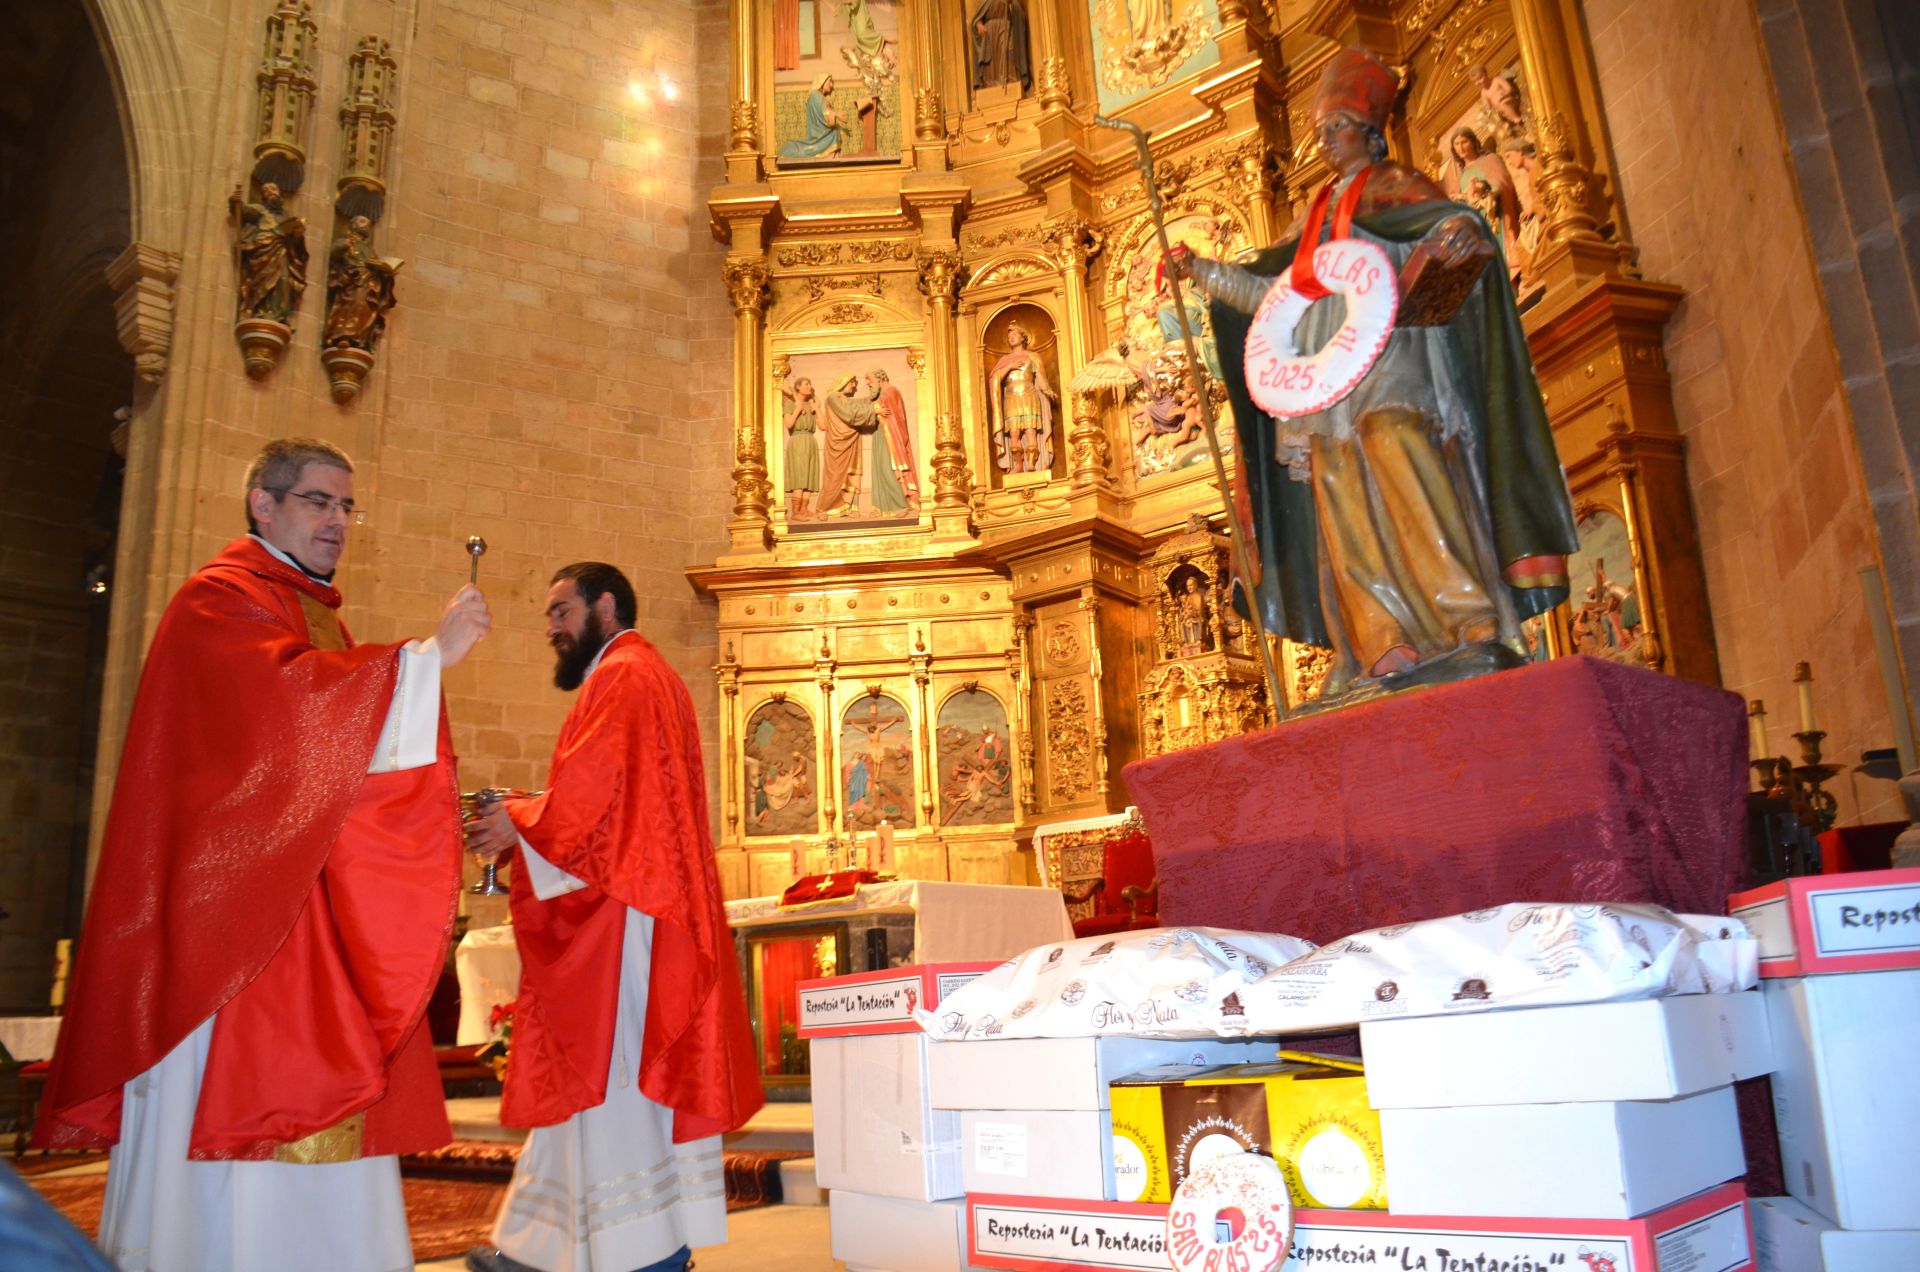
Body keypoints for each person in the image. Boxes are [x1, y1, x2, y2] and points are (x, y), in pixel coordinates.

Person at [35, 437, 492, 1270]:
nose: (339, 522)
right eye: (320, 501)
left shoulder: (307, 607)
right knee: (242, 1116)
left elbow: (323, 742)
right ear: (264, 505)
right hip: (225, 920)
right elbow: (287, 720)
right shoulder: (218, 600)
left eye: (347, 506)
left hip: (281, 898)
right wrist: (426, 660)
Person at [1173, 46, 1577, 705]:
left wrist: (1453, 237)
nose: (1325, 141)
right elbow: (1268, 296)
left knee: (1402, 455)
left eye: (1335, 126)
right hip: (1324, 388)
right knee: (1338, 492)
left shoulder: (1401, 189)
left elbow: (1459, 228)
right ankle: (1380, 639)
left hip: (1395, 364)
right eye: (1320, 131)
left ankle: (1466, 620)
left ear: (1369, 128)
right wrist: (1204, 274)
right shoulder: (1311, 218)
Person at [463, 563, 764, 1272]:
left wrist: (517, 822)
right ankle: (539, 1249)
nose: (550, 629)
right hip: (633, 901)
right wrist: (531, 818)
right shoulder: (639, 674)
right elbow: (607, 799)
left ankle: (640, 1255)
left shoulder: (624, 676)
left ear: (604, 604)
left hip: (628, 917)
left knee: (615, 1086)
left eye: (560, 610)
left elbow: (593, 803)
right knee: (607, 1097)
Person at [229, 180, 308, 323]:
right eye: (267, 191)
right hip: (262, 251)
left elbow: (296, 246)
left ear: (279, 194)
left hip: (282, 252)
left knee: (283, 280)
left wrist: (297, 235)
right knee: (263, 281)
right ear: (263, 196)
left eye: (274, 189)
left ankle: (277, 314)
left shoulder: (286, 215)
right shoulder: (260, 209)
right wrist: (235, 200)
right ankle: (260, 310)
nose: (271, 192)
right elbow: (241, 209)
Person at [986, 320, 1058, 474]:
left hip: (1029, 396)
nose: (1011, 337)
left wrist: (1048, 390)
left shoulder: (1033, 356)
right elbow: (995, 378)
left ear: (1023, 337)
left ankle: (1032, 462)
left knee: (1031, 431)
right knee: (1014, 433)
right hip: (1011, 398)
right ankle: (1018, 464)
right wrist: (1009, 366)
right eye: (1009, 335)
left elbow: (1040, 379)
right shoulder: (1004, 360)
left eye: (1015, 334)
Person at [817, 372, 880, 517]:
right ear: (843, 382)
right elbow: (849, 414)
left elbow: (860, 404)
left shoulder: (843, 398)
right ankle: (824, 508)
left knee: (852, 473)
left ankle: (848, 507)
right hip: (838, 442)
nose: (854, 386)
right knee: (835, 476)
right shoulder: (833, 397)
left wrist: (873, 392)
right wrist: (874, 410)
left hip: (851, 439)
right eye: (852, 382)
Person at [865, 366, 919, 513]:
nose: (868, 383)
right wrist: (873, 409)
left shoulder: (891, 392)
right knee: (881, 470)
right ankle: (883, 506)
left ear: (879, 378)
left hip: (889, 435)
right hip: (880, 434)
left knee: (888, 468)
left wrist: (872, 408)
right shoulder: (881, 395)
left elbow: (893, 415)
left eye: (869, 379)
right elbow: (872, 409)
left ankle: (900, 504)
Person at [782, 375, 822, 520]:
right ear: (798, 387)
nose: (809, 386)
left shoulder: (810, 405)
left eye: (810, 384)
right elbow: (788, 424)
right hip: (798, 440)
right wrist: (797, 410)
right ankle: (796, 512)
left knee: (809, 475)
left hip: (810, 441)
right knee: (800, 475)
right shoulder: (790, 404)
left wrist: (817, 409)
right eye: (806, 384)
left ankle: (804, 509)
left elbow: (823, 426)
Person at [970, 0, 1031, 93]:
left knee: (1007, 51)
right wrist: (979, 25)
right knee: (991, 57)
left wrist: (1011, 5)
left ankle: (1009, 79)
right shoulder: (985, 1)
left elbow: (1018, 12)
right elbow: (977, 18)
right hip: (989, 32)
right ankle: (990, 84)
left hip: (1005, 26)